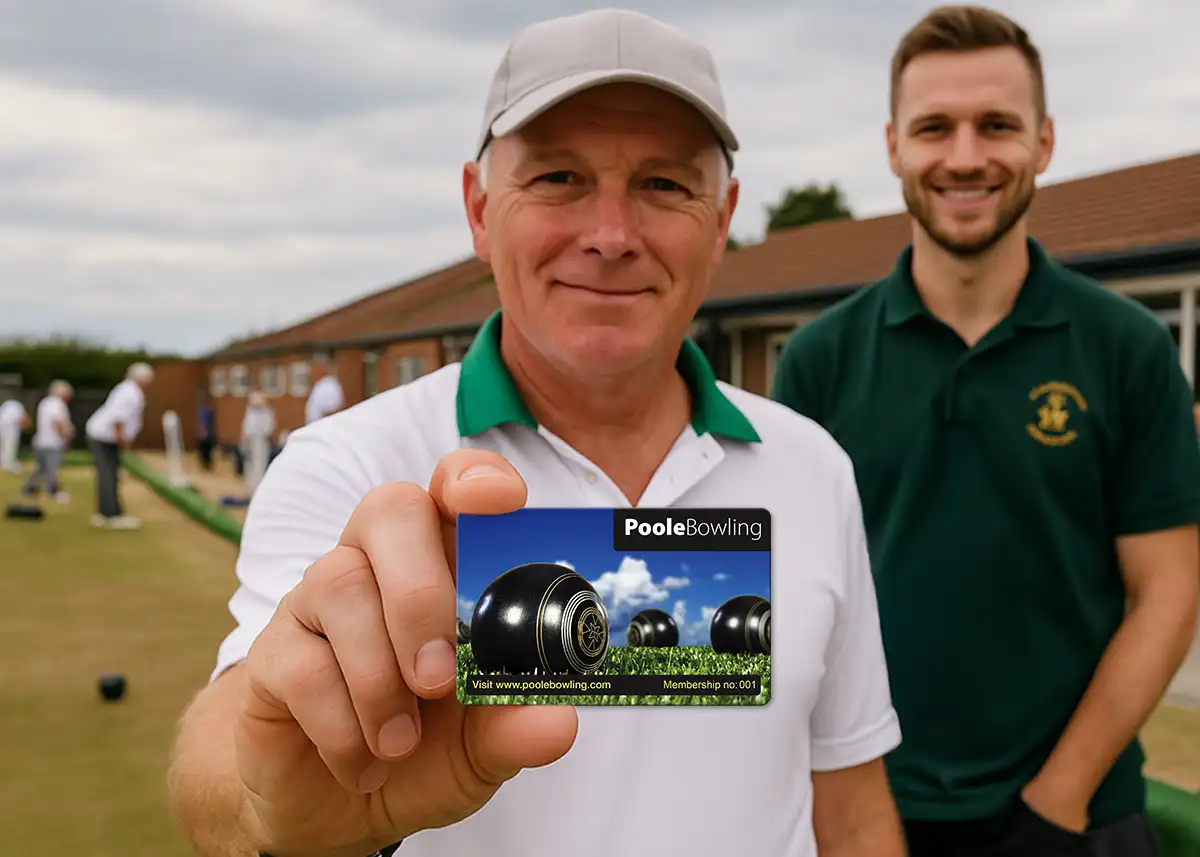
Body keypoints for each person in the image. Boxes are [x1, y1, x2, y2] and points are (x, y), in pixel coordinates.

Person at [167, 10, 908, 857]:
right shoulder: (349, 462)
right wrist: (274, 807)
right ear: (480, 212)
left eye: (665, 185)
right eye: (558, 177)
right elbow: (225, 756)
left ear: (722, 219)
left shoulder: (812, 466)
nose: (611, 236)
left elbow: (849, 800)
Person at [771, 6, 1200, 857]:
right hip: (869, 814)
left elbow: (1170, 593)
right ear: (894, 145)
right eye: (935, 128)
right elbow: (781, 598)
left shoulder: (1129, 347)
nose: (965, 156)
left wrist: (1056, 802)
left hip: (1079, 818)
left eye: (995, 125)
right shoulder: (818, 359)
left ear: (1042, 142)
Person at [85, 362, 155, 529]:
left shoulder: (127, 389)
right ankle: (111, 515)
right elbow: (118, 418)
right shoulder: (130, 392)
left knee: (108, 474)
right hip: (105, 437)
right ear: (143, 378)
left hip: (103, 436)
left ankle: (106, 513)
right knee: (109, 475)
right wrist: (122, 440)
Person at [21, 379, 74, 503]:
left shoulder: (44, 402)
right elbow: (59, 422)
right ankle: (53, 491)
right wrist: (65, 437)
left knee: (41, 468)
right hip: (53, 442)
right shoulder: (58, 404)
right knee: (52, 468)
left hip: (40, 441)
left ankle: (30, 487)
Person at [240, 391, 277, 495]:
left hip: (261, 441)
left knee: (259, 464)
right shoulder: (250, 412)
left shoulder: (266, 412)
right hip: (250, 441)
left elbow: (269, 428)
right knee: (249, 464)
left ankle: (258, 488)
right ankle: (250, 488)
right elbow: (246, 427)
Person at [304, 355, 344, 424]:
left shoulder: (328, 386)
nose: (310, 372)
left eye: (313, 368)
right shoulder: (320, 385)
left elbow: (333, 412)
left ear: (321, 368)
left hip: (322, 428)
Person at [0, 396, 29, 474]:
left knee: (3, 446)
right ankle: (8, 465)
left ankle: (4, 463)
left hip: (1, 425)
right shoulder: (19, 407)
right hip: (11, 426)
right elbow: (22, 419)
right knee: (10, 445)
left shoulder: (7, 405)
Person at [197, 393, 216, 471]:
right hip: (209, 432)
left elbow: (203, 422)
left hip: (206, 433)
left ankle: (207, 463)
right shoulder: (209, 410)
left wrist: (201, 432)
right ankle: (207, 463)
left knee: (205, 449)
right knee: (206, 449)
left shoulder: (205, 411)